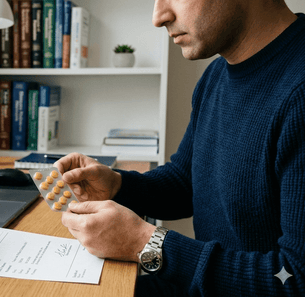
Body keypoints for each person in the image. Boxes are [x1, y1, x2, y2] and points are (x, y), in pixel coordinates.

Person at [54, 0, 305, 295]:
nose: (159, 17)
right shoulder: (215, 76)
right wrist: (118, 186)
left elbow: (296, 280)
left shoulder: (299, 93)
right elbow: (186, 181)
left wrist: (146, 245)